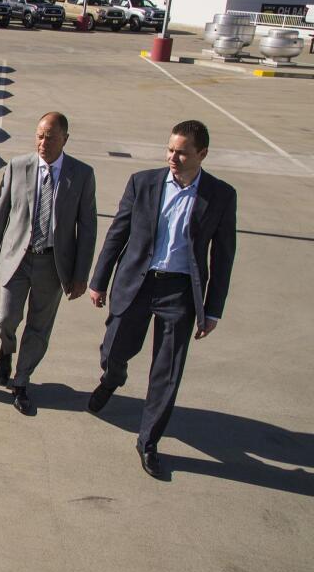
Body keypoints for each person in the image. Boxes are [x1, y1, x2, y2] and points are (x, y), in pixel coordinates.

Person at [87, 120, 237, 478]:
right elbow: (117, 233)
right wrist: (99, 280)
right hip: (137, 283)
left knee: (167, 372)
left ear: (202, 154)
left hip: (181, 292)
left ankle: (148, 442)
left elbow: (224, 255)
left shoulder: (220, 195)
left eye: (182, 151)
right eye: (170, 149)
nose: (173, 156)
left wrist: (212, 309)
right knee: (114, 347)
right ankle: (112, 376)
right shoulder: (143, 183)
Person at [0, 112, 97, 414]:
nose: (43, 143)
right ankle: (6, 349)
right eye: (40, 136)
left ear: (65, 139)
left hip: (53, 265)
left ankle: (21, 381)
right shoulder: (19, 167)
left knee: (38, 327)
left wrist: (81, 274)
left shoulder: (81, 175)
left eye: (51, 137)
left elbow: (87, 228)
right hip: (16, 258)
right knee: (6, 318)